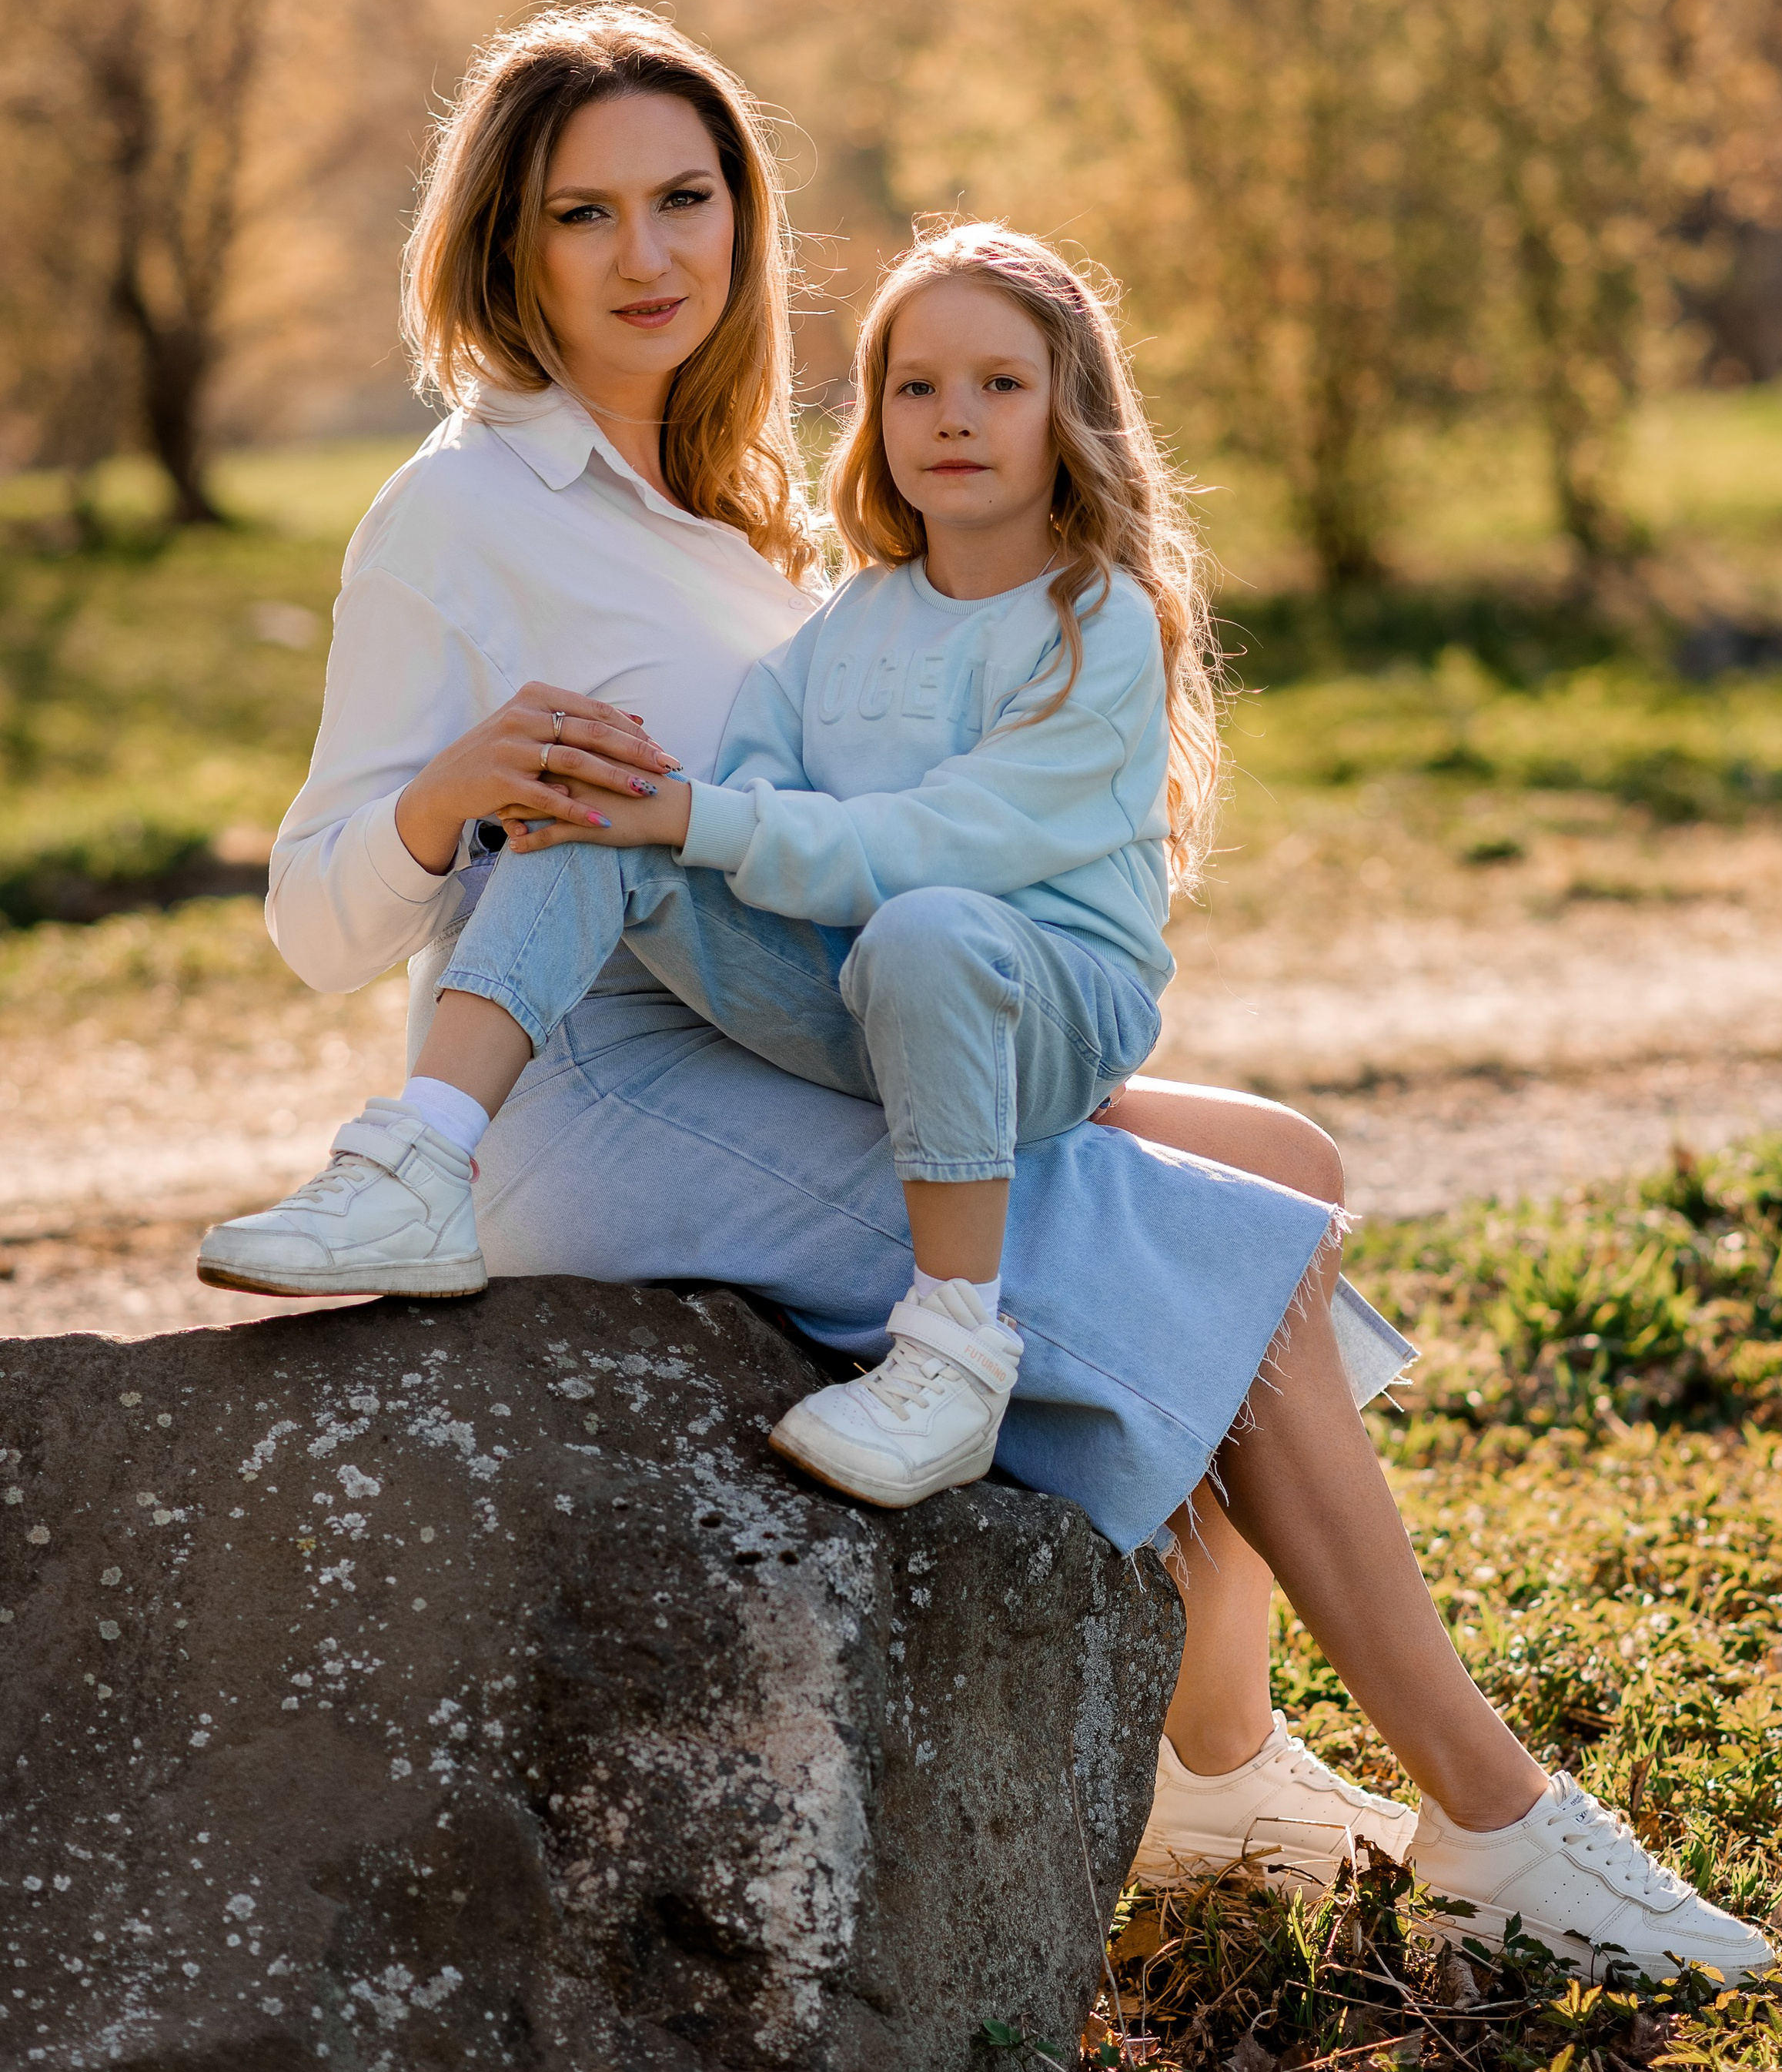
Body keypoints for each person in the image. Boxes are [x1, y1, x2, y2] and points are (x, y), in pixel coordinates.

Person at [199, 0, 1773, 1986]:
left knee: (1274, 1159)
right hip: (607, 1088)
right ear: (504, 245)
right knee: (1214, 1244)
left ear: (744, 217)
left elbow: (894, 816)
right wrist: (447, 792)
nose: (647, 255)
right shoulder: (458, 510)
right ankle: (1497, 1818)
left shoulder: (752, 493)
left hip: (811, 1020)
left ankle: (1211, 1771)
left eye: (686, 198)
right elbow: (313, 916)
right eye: (585, 215)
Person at [203, 220, 1212, 1516]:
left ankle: (956, 1351)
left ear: (1073, 415)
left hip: (1048, 1016)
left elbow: (940, 846)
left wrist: (707, 822)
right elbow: (755, 778)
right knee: (600, 811)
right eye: (916, 386)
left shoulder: (1095, 626)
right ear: (876, 416)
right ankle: (419, 1162)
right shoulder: (856, 612)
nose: (953, 417)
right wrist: (662, 810)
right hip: (867, 993)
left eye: (1000, 385)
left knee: (920, 923)